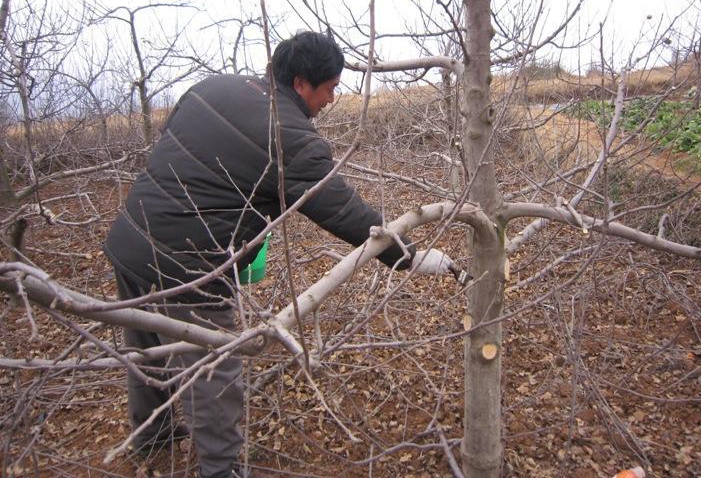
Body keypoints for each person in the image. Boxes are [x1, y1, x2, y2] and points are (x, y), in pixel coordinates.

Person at [104, 31, 453, 478]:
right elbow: (343, 210)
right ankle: (222, 468)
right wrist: (409, 256)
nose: (333, 97)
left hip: (131, 238)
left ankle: (152, 437)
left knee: (147, 345)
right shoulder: (291, 136)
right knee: (212, 369)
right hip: (189, 265)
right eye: (330, 87)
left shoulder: (211, 87)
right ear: (303, 82)